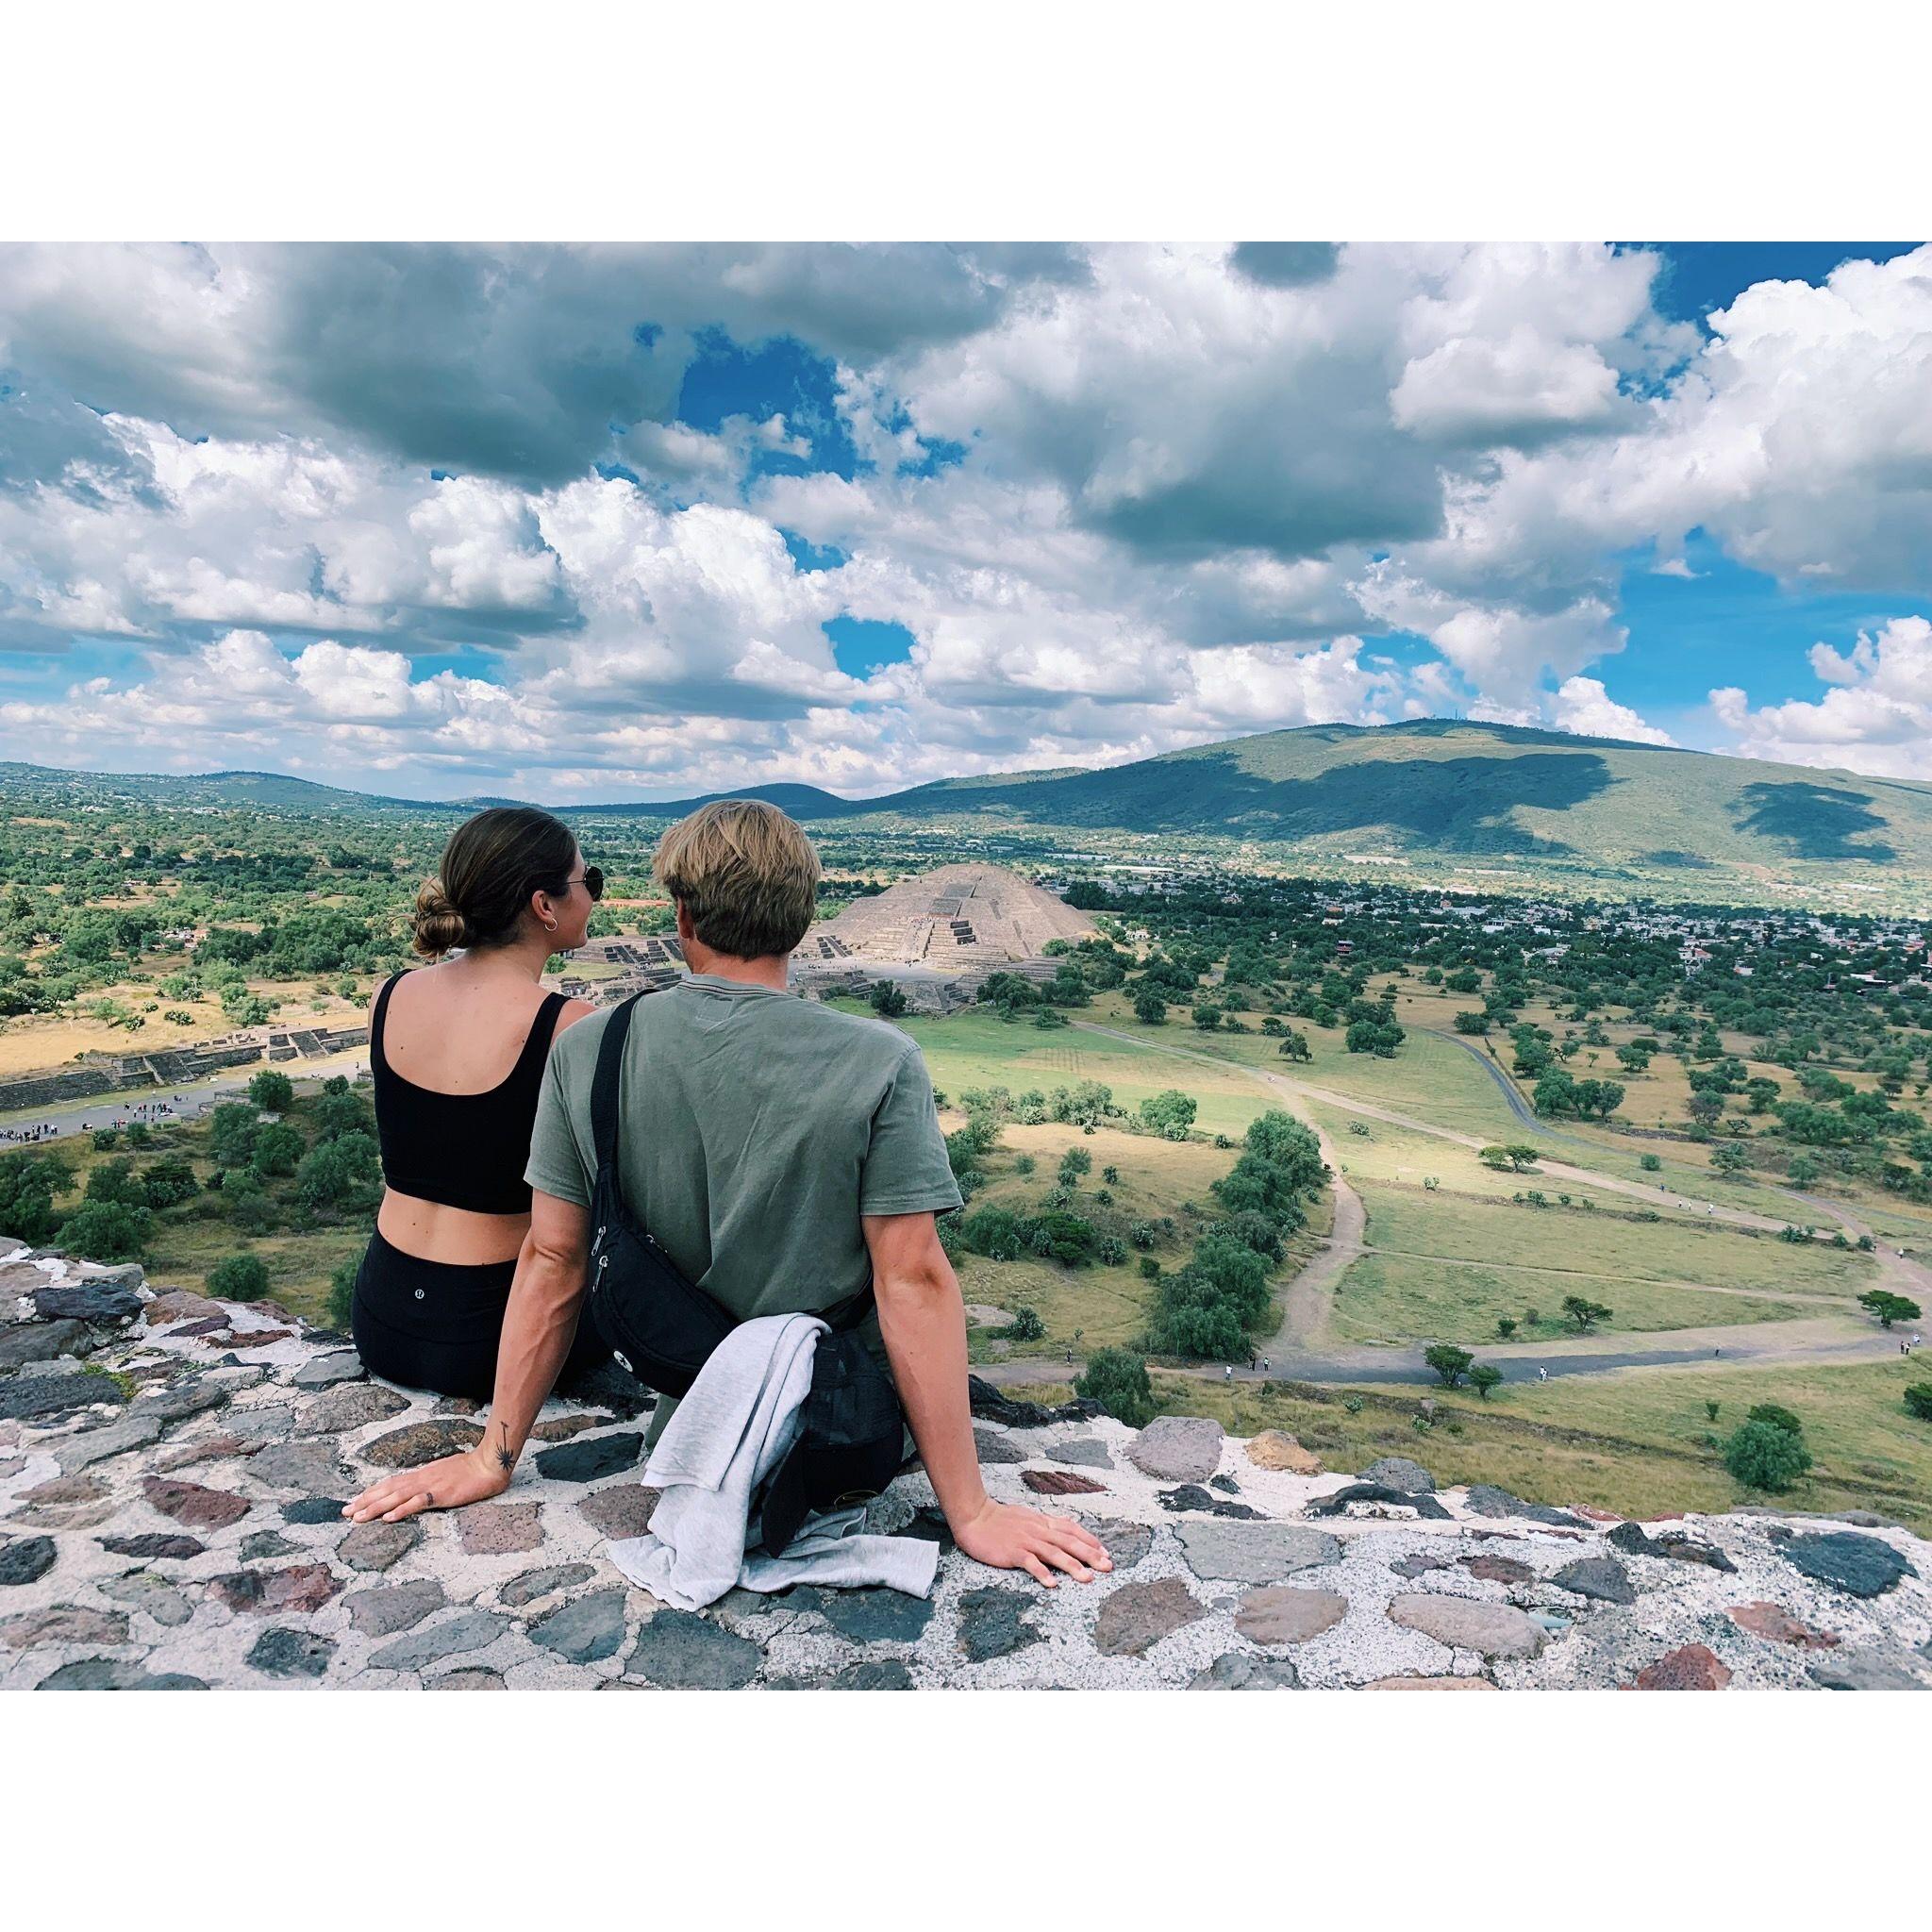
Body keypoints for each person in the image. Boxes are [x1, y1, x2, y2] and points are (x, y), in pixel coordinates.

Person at [347, 800, 1109, 1590]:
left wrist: (493, 1455)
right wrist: (974, 1512)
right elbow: (911, 1279)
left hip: (684, 1406)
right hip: (831, 1422)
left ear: (682, 916)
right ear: (803, 916)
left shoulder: (592, 1047)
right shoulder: (879, 1060)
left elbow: (552, 1257)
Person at [346, 807, 608, 1400]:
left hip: (382, 1316)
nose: (592, 896)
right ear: (545, 906)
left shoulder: (391, 996)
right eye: (586, 882)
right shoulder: (570, 1027)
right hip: (495, 1336)